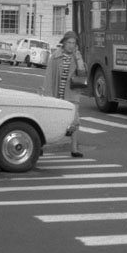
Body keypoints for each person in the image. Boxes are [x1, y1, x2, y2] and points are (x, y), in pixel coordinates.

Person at [42, 30, 87, 158]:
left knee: (74, 121)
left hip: (72, 94)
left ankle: (74, 149)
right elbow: (49, 77)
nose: (71, 45)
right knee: (50, 122)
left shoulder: (76, 56)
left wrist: (78, 58)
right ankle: (41, 146)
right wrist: (48, 95)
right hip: (58, 94)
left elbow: (82, 74)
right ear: (64, 43)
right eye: (69, 42)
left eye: (74, 43)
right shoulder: (55, 56)